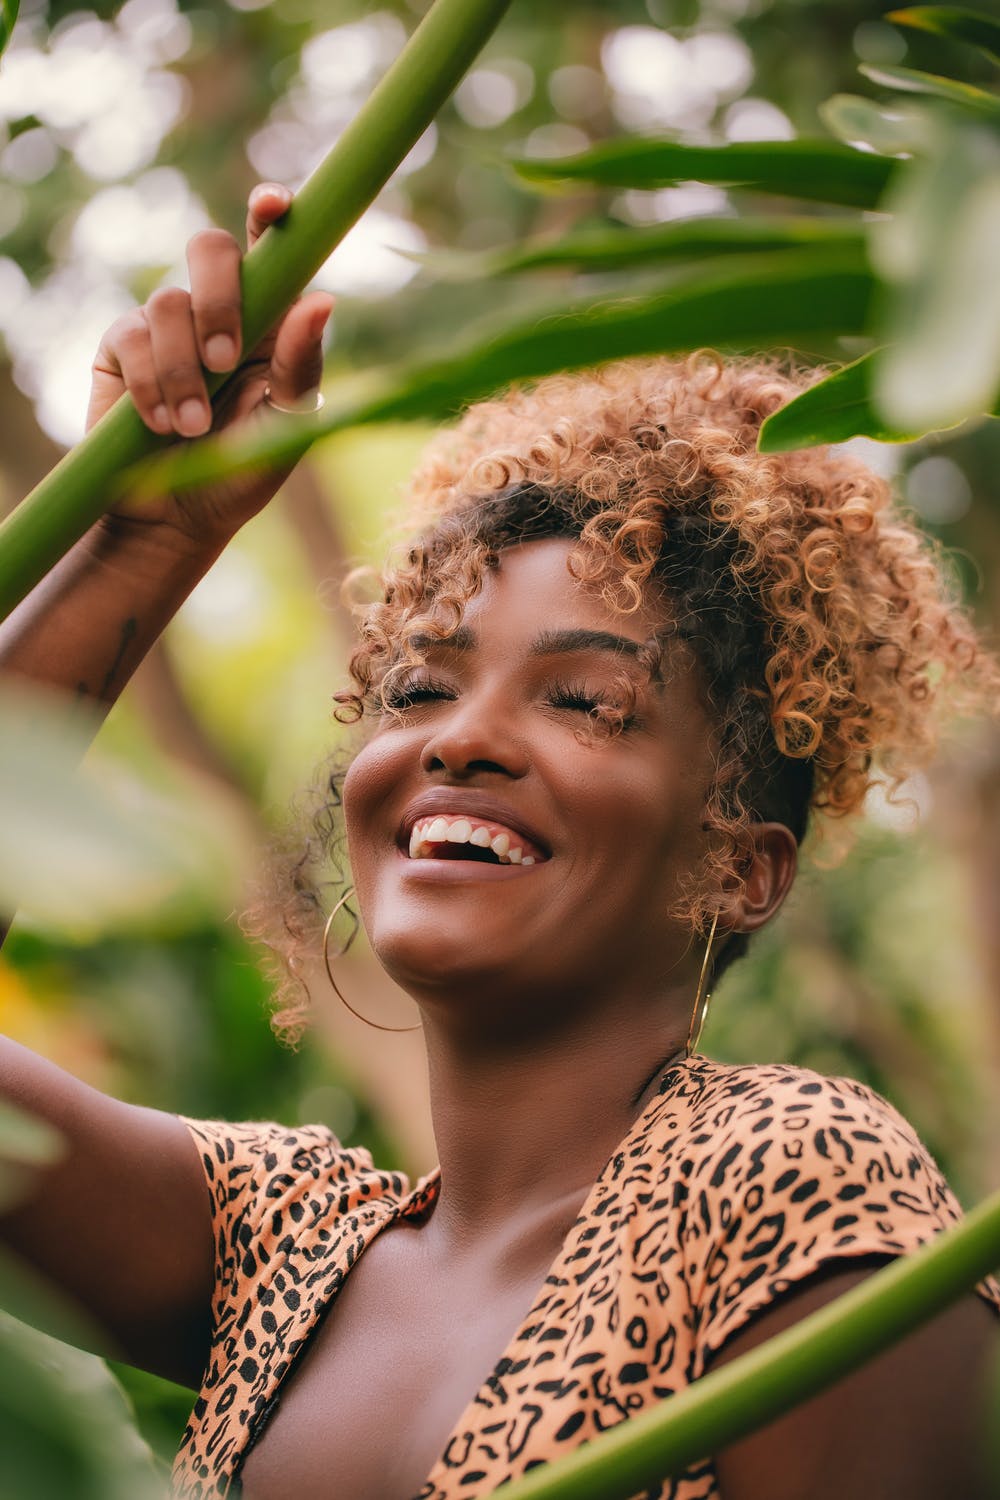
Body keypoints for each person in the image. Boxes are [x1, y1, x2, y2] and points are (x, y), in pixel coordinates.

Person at [0, 184, 997, 1500]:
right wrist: (147, 544)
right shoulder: (284, 1249)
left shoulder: (781, 1183)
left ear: (740, 867)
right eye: (421, 690)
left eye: (585, 702)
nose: (460, 739)